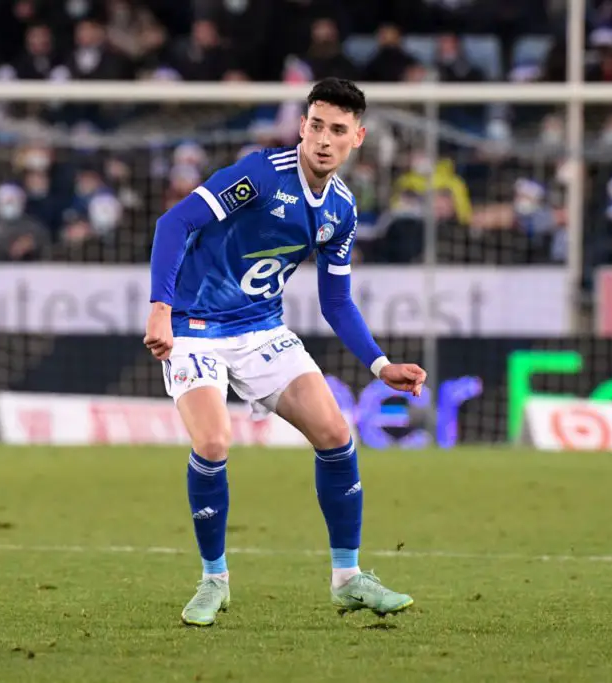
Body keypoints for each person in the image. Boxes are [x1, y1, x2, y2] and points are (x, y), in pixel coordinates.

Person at [142, 78, 427, 627]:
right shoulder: (260, 175)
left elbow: (336, 300)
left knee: (336, 434)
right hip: (195, 326)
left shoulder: (341, 210)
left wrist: (380, 364)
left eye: (337, 130)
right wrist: (160, 308)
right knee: (213, 441)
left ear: (357, 138)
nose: (324, 139)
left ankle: (347, 578)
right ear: (302, 126)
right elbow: (175, 223)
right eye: (316, 126)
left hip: (261, 330)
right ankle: (213, 580)